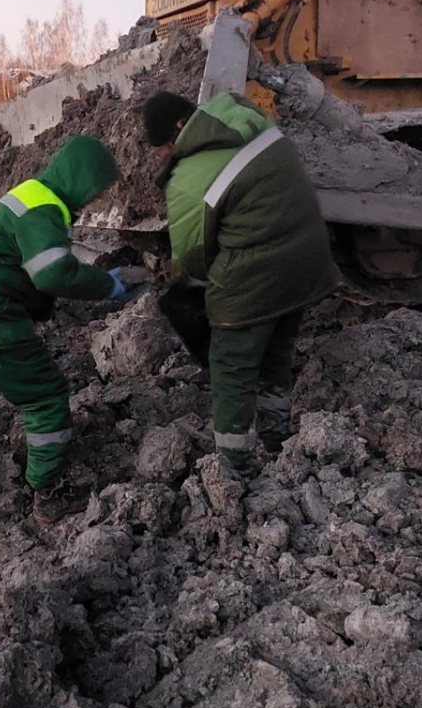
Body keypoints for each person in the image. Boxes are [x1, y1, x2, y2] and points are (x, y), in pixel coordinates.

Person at [0, 134, 143, 527]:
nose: (95, 201)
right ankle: (49, 493)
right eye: (96, 192)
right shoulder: (42, 207)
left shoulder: (29, 195)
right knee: (46, 395)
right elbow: (52, 272)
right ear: (80, 180)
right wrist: (108, 285)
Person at [141, 89, 342, 475]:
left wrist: (197, 300)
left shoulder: (188, 179)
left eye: (162, 145)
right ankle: (276, 437)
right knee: (276, 352)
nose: (161, 154)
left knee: (231, 364)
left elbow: (193, 259)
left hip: (256, 279)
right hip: (307, 262)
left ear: (179, 129)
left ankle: (236, 467)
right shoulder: (246, 117)